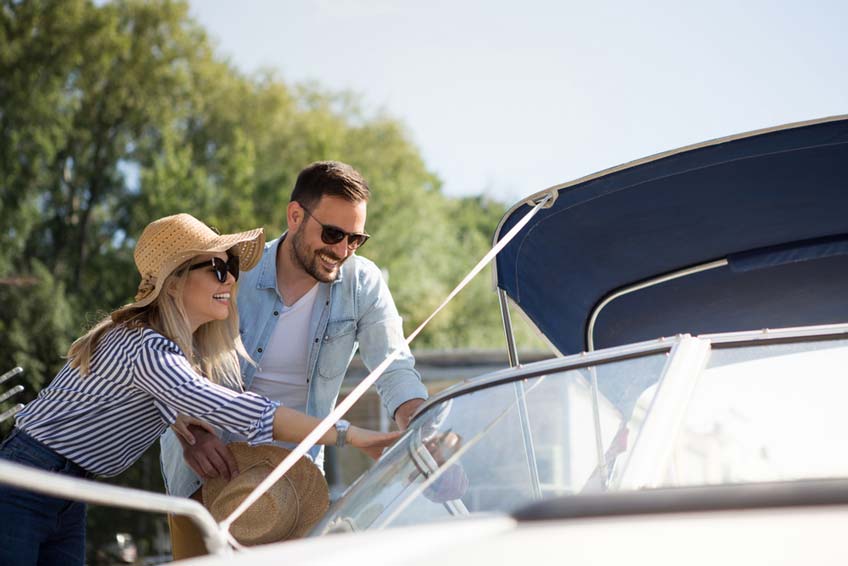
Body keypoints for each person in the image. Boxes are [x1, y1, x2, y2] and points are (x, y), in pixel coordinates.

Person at [0, 213, 399, 566]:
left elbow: (170, 398)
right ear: (174, 282)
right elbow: (242, 411)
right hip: (27, 481)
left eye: (231, 268)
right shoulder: (149, 349)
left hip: (63, 487)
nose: (229, 279)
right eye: (216, 268)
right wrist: (353, 436)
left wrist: (188, 430)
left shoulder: (165, 347)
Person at [160, 161, 429, 557]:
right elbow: (170, 358)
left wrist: (420, 426)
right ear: (295, 215)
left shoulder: (364, 284)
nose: (342, 251)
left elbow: (394, 366)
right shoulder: (233, 274)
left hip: (294, 490)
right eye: (333, 233)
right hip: (206, 473)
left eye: (356, 240)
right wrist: (190, 434)